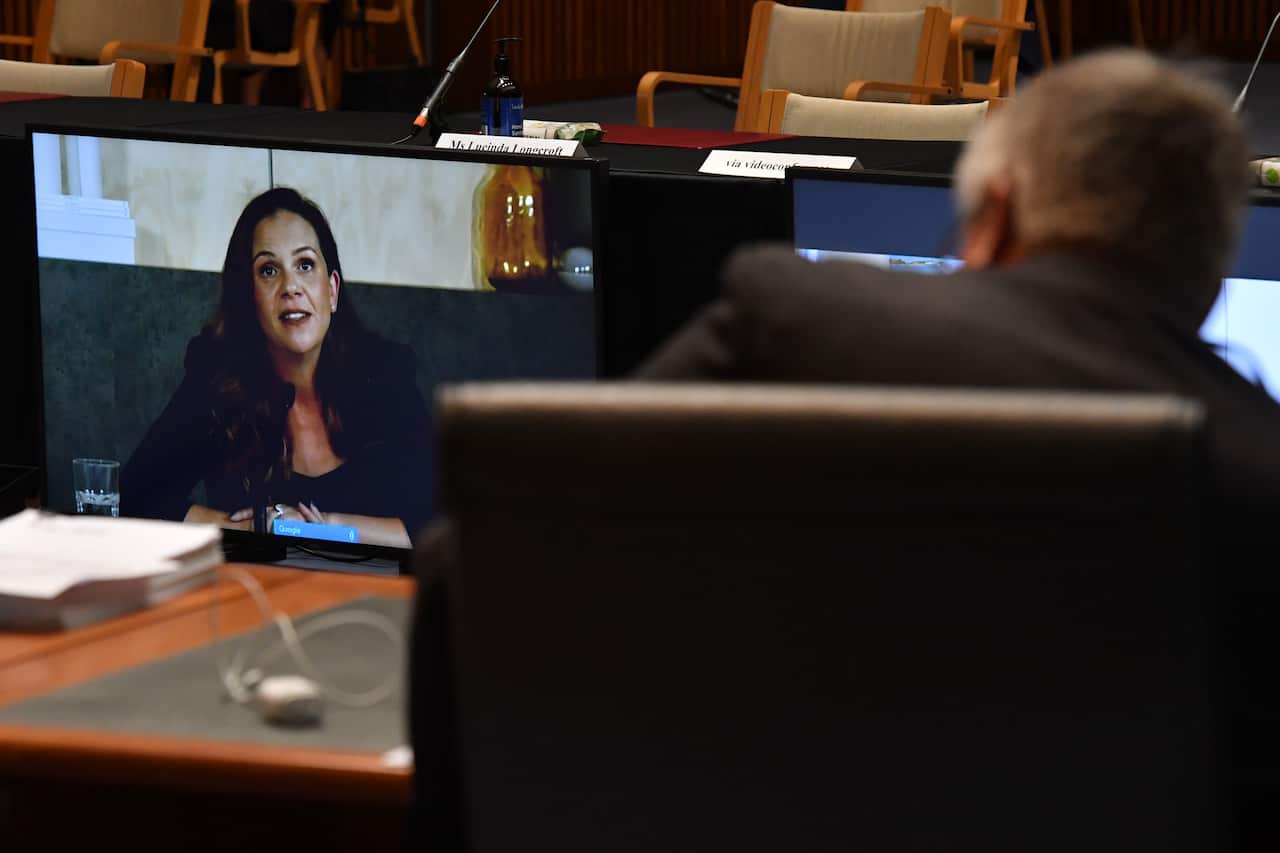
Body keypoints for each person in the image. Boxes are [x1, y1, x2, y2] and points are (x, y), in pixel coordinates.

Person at [638, 48, 1280, 835]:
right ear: (1212, 273)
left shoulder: (799, 321)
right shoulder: (1259, 472)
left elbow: (516, 541)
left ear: (995, 213)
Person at [122, 187, 431, 549]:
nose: (291, 287)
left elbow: (438, 527)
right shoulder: (219, 378)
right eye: (269, 270)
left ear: (331, 291)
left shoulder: (385, 373)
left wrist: (327, 528)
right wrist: (242, 527)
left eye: (305, 265)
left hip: (370, 600)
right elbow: (136, 494)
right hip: (258, 597)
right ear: (248, 297)